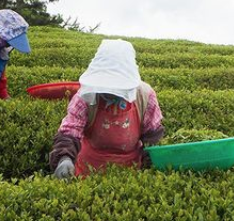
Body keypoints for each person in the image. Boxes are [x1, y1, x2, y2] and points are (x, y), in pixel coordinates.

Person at [50, 39, 164, 179]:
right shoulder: (85, 96)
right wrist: (64, 158)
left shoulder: (145, 96)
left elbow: (152, 137)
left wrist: (149, 170)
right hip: (87, 170)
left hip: (130, 171)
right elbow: (70, 132)